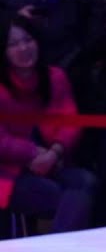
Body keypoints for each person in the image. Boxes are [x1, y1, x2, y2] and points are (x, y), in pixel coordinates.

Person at [0, 12, 97, 233]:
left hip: (51, 162)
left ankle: (59, 248)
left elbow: (70, 122)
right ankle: (60, 247)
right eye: (13, 44)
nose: (24, 48)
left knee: (84, 182)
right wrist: (33, 153)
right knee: (61, 197)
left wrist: (53, 153)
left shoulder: (55, 77)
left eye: (28, 40)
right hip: (8, 170)